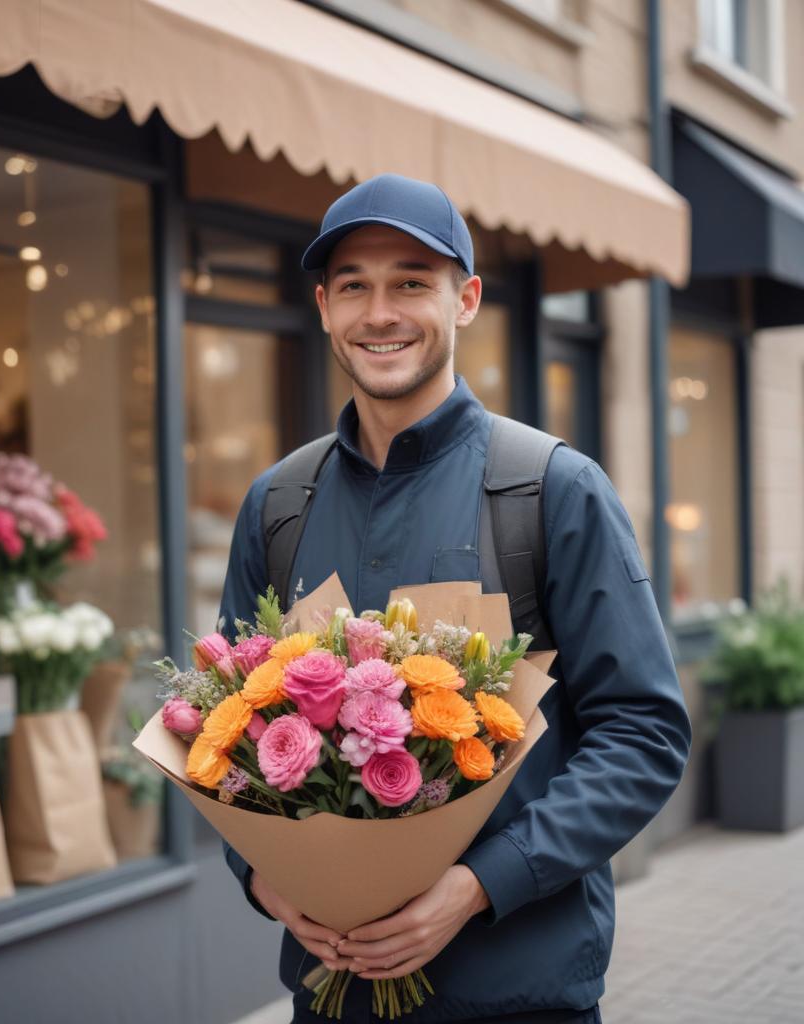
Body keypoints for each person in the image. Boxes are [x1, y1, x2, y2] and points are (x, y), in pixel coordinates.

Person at [218, 173, 692, 1023]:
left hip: (516, 994)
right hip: (333, 999)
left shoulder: (552, 490)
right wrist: (265, 882)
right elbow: (221, 739)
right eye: (354, 286)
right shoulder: (280, 503)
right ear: (324, 307)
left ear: (465, 299)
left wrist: (477, 887)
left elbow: (643, 734)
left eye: (411, 282)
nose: (381, 312)